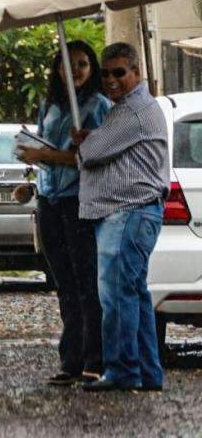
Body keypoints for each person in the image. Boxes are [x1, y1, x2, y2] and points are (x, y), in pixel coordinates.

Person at [73, 42, 169, 392]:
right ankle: (146, 370)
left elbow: (92, 153)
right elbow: (102, 146)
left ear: (136, 73)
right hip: (131, 212)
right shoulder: (128, 109)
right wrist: (92, 141)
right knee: (133, 294)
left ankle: (123, 369)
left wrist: (85, 143)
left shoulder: (133, 111)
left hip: (127, 212)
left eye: (119, 73)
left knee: (115, 295)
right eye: (106, 74)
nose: (111, 80)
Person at [16, 40, 110, 386]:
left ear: (92, 68)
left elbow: (89, 157)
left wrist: (45, 158)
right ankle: (69, 359)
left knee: (87, 282)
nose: (75, 71)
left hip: (78, 200)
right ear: (58, 69)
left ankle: (94, 359)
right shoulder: (51, 105)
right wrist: (31, 175)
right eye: (68, 64)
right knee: (64, 283)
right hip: (50, 200)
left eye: (83, 64)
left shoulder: (97, 106)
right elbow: (41, 147)